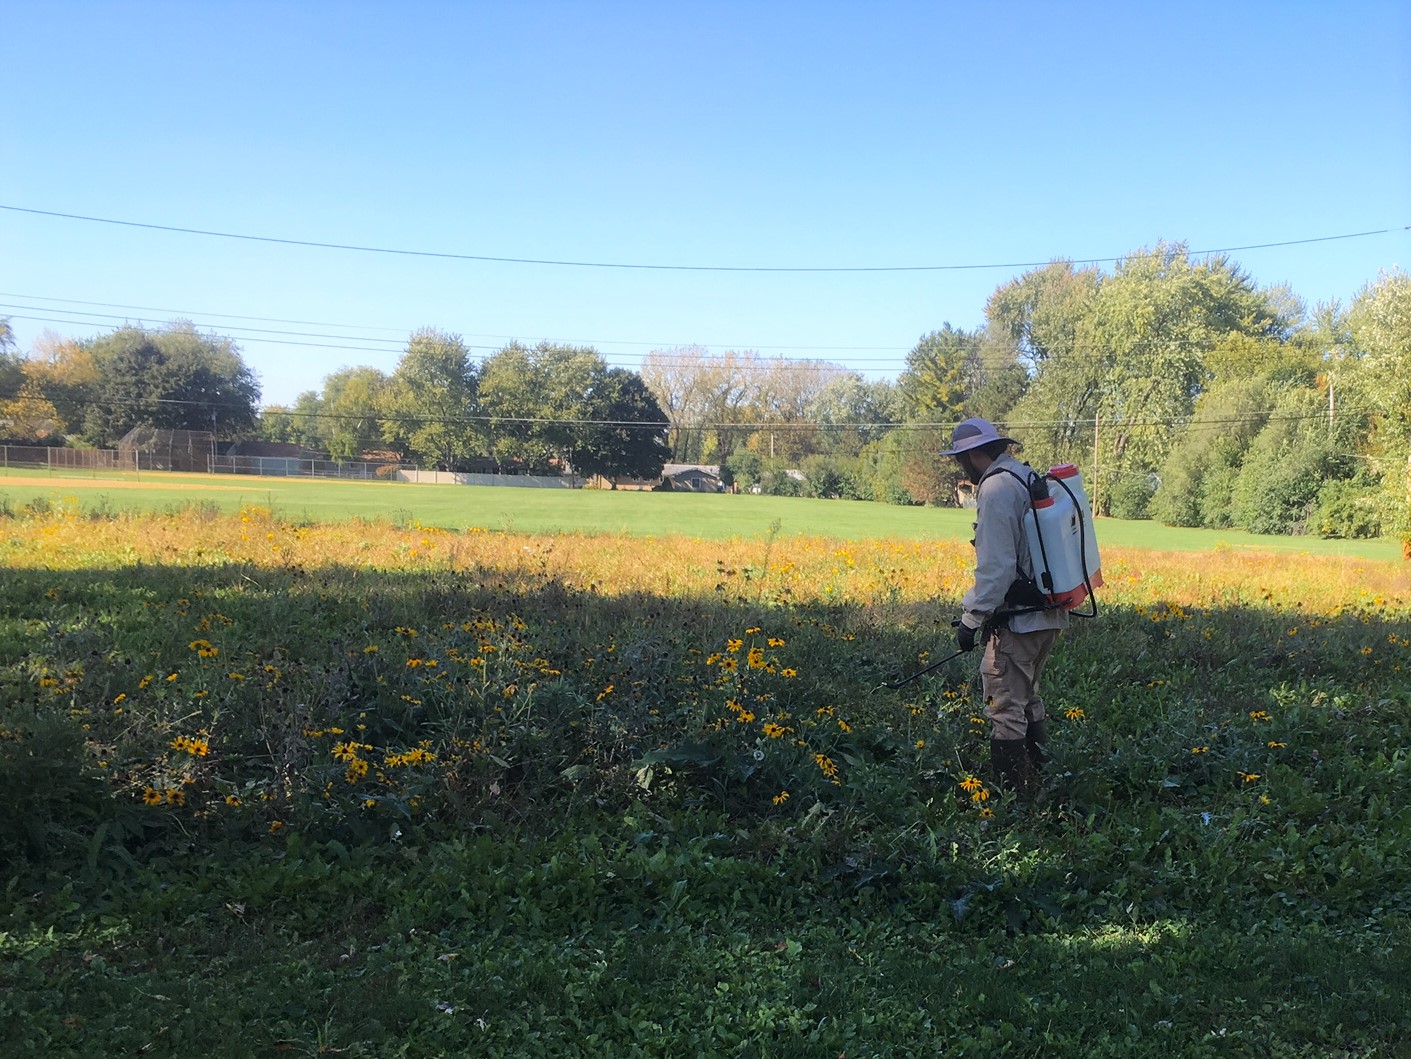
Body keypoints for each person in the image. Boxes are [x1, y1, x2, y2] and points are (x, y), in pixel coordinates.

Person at [941, 417, 1068, 797]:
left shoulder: (996, 488)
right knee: (1026, 696)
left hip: (1020, 620)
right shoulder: (1025, 476)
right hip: (1047, 612)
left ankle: (1014, 802)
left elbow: (996, 568)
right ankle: (1044, 782)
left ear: (974, 455)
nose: (962, 467)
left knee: (1003, 704)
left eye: (962, 459)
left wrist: (970, 620)